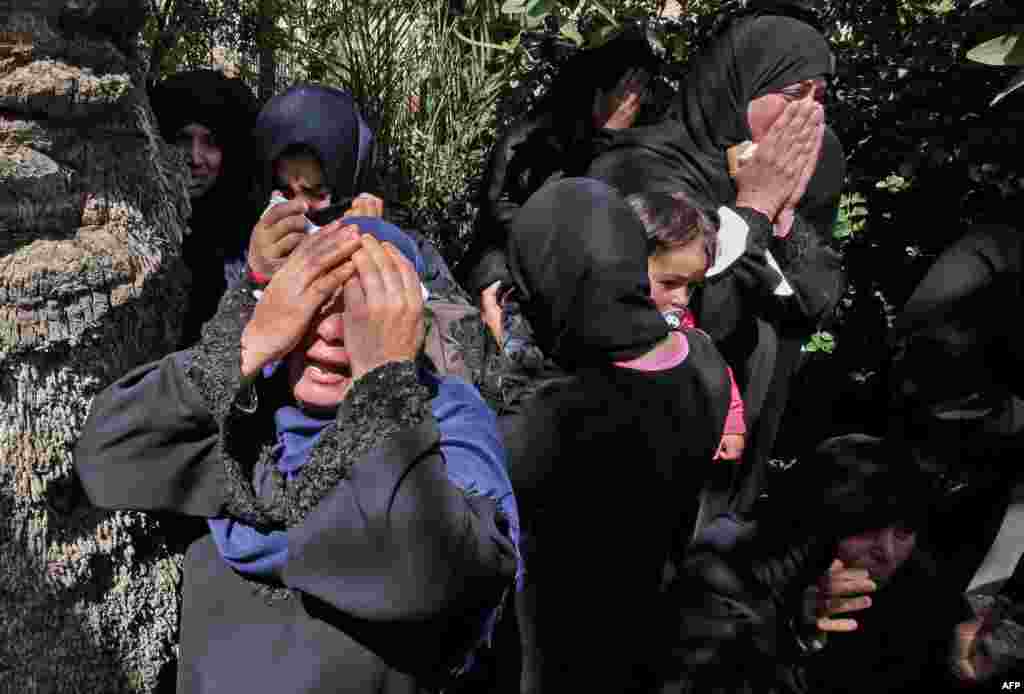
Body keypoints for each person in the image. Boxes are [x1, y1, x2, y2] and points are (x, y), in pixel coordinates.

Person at [74, 215, 521, 693]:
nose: (329, 332)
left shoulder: (443, 418)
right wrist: (253, 341)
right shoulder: (247, 415)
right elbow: (108, 454)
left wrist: (384, 385)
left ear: (404, 324)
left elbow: (444, 580)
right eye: (314, 302)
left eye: (361, 310)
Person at [586, 11, 846, 516]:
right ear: (737, 87)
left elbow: (818, 298)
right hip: (649, 428)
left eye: (821, 98)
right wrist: (752, 212)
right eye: (795, 96)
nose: (809, 116)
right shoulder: (639, 165)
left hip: (746, 443)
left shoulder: (811, 167)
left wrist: (784, 215)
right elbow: (695, 309)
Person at [497, 177, 734, 693]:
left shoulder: (549, 412)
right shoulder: (705, 363)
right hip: (648, 625)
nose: (677, 300)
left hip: (548, 655)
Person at [659, 434, 970, 694]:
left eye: (903, 532)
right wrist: (796, 638)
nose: (887, 552)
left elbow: (936, 597)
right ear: (816, 523)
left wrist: (962, 636)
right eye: (864, 529)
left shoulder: (890, 572)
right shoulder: (724, 575)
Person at [459, 24, 663, 302]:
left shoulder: (636, 143)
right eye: (628, 89)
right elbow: (501, 211)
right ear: (600, 89)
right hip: (515, 268)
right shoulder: (535, 138)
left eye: (640, 89)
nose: (635, 101)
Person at [149, 69, 261, 347]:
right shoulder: (141, 231)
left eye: (210, 143)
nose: (195, 158)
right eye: (183, 139)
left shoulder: (247, 240)